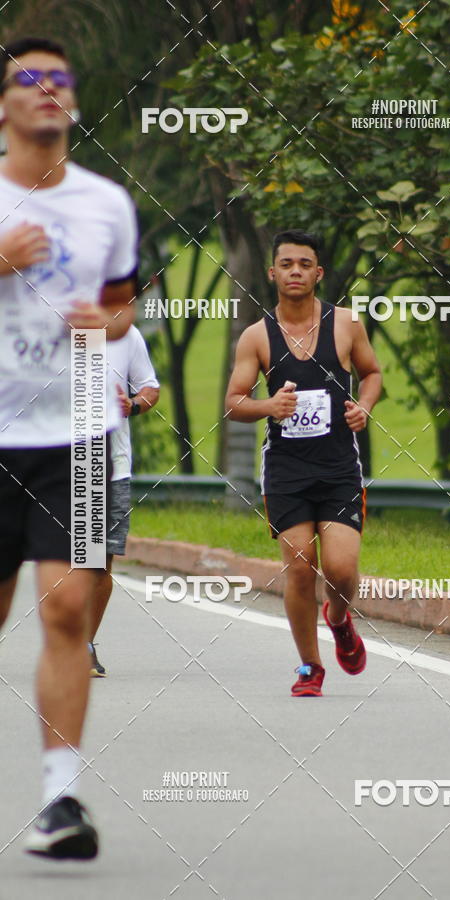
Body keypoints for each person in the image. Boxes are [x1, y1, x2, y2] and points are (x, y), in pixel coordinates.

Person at [0, 37, 138, 857]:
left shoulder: (107, 204)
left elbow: (121, 307)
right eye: (29, 79)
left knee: (67, 608)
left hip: (81, 435)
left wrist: (106, 324)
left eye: (60, 79)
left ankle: (61, 802)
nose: (48, 89)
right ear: (4, 104)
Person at [225, 229, 382, 696]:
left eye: (304, 264)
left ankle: (338, 617)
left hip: (337, 467)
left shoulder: (347, 325)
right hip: (287, 469)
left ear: (318, 273)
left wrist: (364, 407)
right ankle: (309, 667)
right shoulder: (257, 336)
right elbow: (234, 402)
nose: (295, 271)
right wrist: (268, 407)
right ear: (273, 273)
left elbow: (371, 373)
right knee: (298, 567)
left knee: (339, 569)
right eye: (287, 264)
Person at [89, 325, 159, 677]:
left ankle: (82, 644)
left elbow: (150, 387)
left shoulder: (125, 334)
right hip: (53, 465)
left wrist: (132, 404)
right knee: (59, 560)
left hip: (109, 466)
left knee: (100, 561)